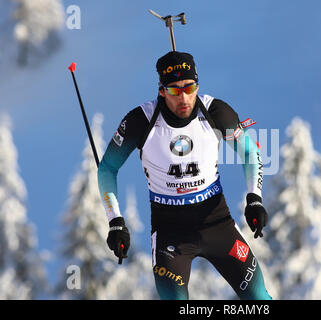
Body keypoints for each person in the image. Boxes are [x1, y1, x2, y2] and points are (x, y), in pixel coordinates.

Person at [97, 51, 272, 300]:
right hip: (170, 231)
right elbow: (107, 169)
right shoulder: (141, 121)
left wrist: (254, 198)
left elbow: (249, 152)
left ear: (197, 86)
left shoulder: (215, 112)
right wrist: (116, 221)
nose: (184, 97)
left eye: (189, 88)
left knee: (259, 299)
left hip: (217, 222)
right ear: (161, 91)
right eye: (174, 90)